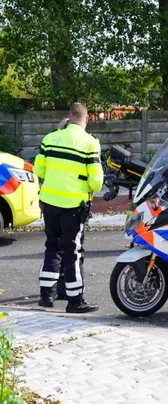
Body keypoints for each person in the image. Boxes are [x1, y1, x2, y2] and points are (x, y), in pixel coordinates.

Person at [34, 103, 103, 313]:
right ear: (87, 119)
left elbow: (39, 169)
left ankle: (46, 296)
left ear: (69, 117)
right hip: (73, 206)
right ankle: (75, 301)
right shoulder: (90, 143)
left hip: (50, 203)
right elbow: (96, 182)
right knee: (72, 251)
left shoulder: (50, 139)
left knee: (52, 247)